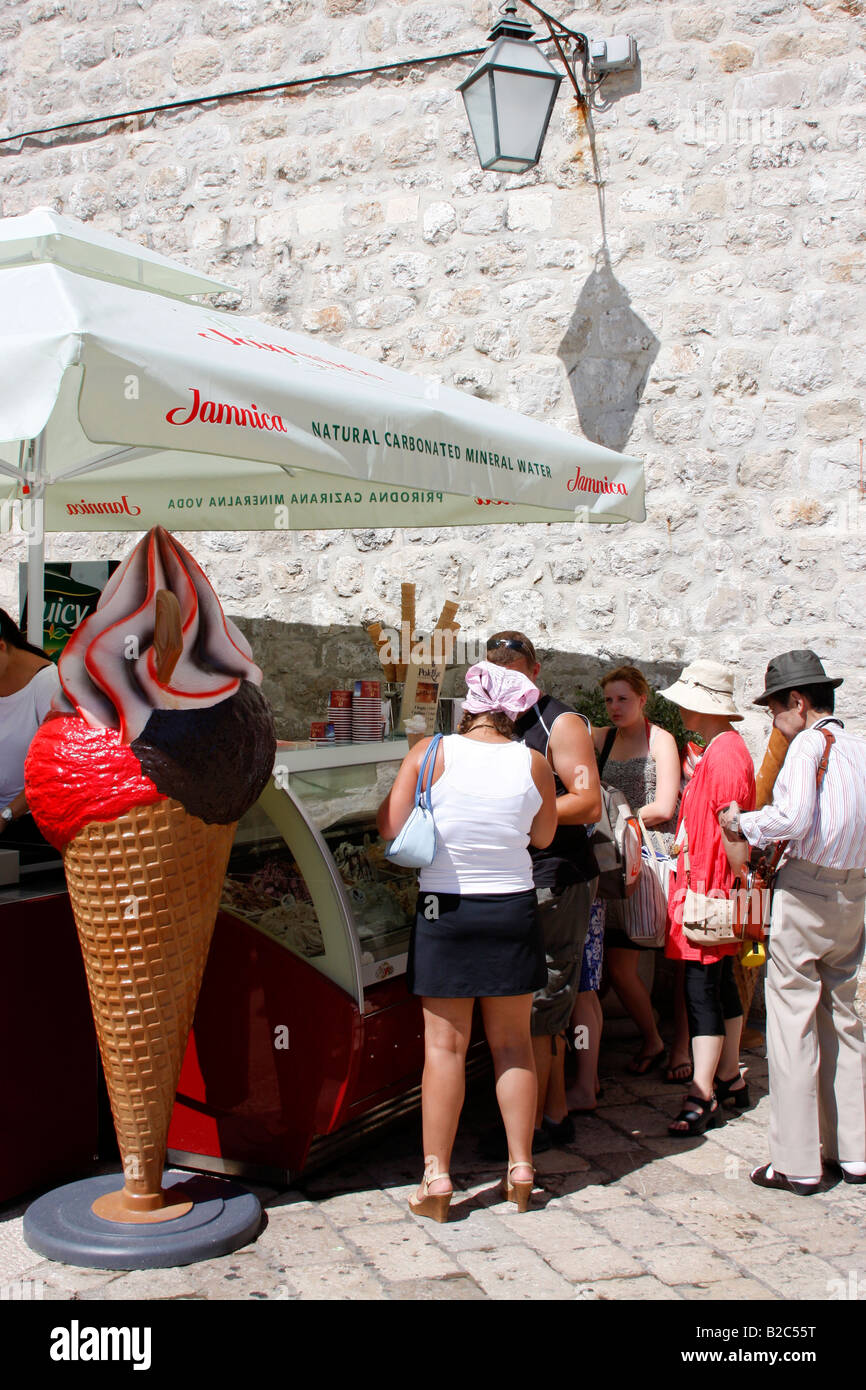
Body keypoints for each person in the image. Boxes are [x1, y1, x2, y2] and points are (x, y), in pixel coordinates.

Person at [377, 660, 557, 1220]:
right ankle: (522, 1167)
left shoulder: (430, 753)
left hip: (444, 908)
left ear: (468, 704)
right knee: (514, 1045)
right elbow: (544, 835)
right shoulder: (534, 763)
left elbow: (390, 827)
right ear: (514, 709)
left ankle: (436, 1175)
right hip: (511, 908)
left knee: (444, 1048)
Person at [721, 651, 866, 1196]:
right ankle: (854, 1151)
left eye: (775, 711)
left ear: (798, 703)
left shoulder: (808, 743)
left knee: (791, 1022)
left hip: (806, 891)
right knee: (843, 1018)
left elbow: (792, 818)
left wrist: (739, 821)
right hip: (853, 891)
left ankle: (797, 1162)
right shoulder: (861, 745)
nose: (774, 723)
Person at [485, 632, 601, 1145]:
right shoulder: (494, 720)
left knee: (541, 1001)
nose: (506, 681)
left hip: (555, 874)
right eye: (497, 672)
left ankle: (527, 1129)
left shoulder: (561, 722)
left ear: (534, 671)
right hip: (512, 876)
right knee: (536, 1001)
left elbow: (588, 800)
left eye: (514, 671)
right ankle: (553, 1113)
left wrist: (522, 816)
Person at [659, 660, 756, 1136]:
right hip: (711, 886)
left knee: (700, 987)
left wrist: (742, 885)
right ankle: (729, 1076)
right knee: (714, 986)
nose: (678, 707)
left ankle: (702, 1092)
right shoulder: (721, 750)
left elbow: (733, 828)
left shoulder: (725, 755)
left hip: (710, 891)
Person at [590, 665, 681, 1076]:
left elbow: (664, 807)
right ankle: (653, 1037)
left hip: (652, 860)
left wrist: (619, 817)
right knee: (619, 965)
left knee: (673, 961)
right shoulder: (602, 739)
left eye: (623, 699)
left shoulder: (661, 740)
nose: (614, 707)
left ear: (643, 699)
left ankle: (680, 1044)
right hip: (614, 862)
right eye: (609, 700)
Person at [0, 609, 60, 856]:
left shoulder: (49, 683)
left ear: (2, 646)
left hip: (35, 832)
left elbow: (56, 767)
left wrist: (6, 815)